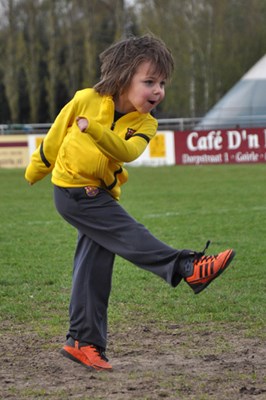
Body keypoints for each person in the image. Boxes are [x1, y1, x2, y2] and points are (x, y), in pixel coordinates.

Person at [25, 34, 235, 371]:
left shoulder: (146, 123)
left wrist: (93, 130)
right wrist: (36, 170)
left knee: (93, 268)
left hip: (101, 191)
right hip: (73, 191)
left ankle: (81, 342)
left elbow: (126, 152)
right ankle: (186, 267)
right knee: (127, 232)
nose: (158, 91)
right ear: (123, 78)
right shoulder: (85, 99)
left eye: (162, 83)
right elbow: (54, 136)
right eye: (149, 81)